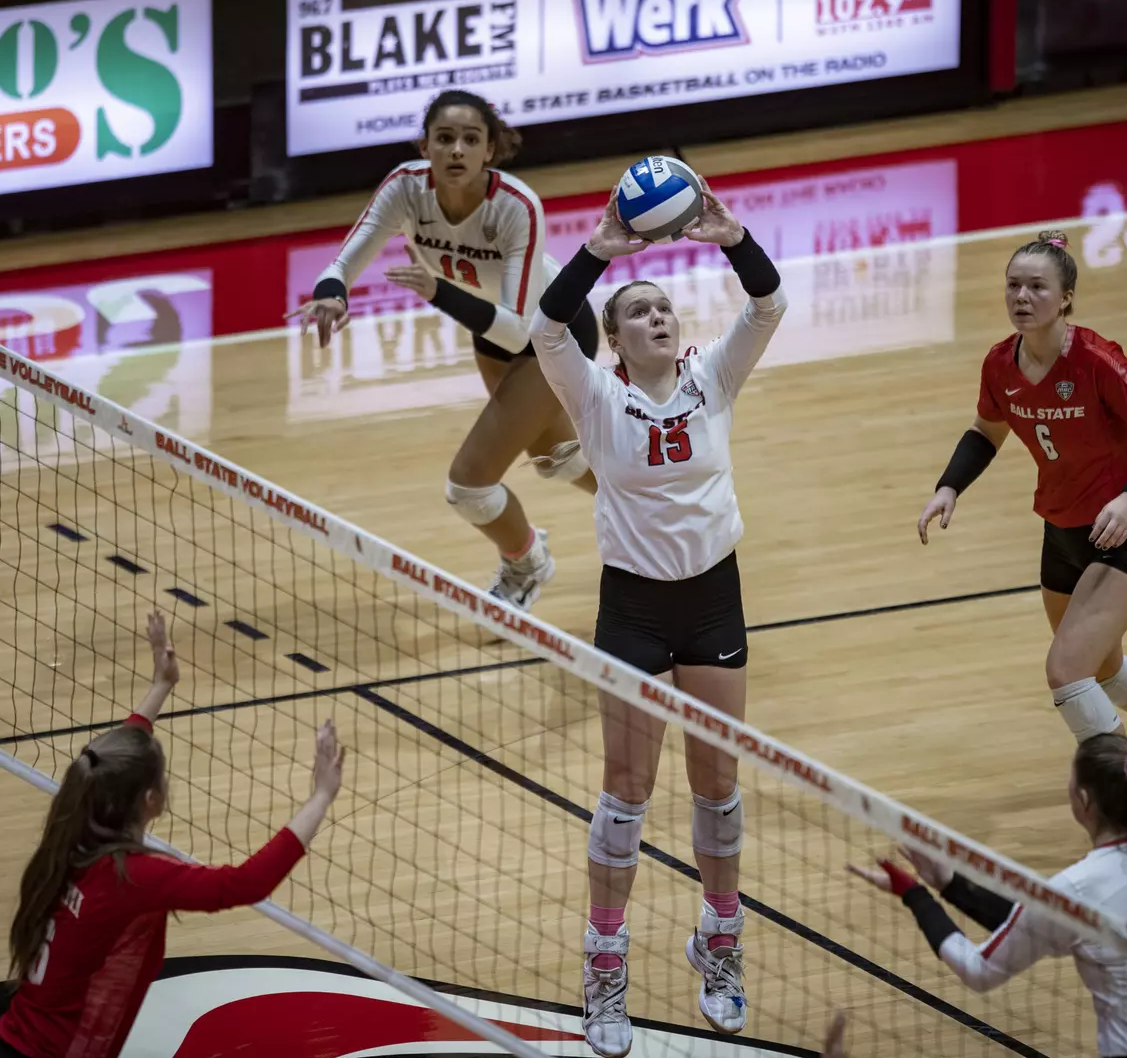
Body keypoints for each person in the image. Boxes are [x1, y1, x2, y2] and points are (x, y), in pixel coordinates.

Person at [528, 184, 786, 1056]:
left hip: (714, 596)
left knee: (717, 788)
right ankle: (605, 962)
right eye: (639, 312)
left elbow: (770, 301)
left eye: (664, 307)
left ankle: (720, 941)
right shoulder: (595, 398)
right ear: (616, 340)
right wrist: (601, 251)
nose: (658, 317)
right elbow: (546, 327)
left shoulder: (713, 378)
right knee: (627, 796)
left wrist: (732, 237)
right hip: (632, 608)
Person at [916, 230, 1127, 796]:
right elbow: (987, 431)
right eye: (1013, 286)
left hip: (1123, 535)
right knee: (1100, 668)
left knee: (1066, 671)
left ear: (1065, 298)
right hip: (1059, 533)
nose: (1022, 297)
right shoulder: (999, 363)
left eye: (1037, 287)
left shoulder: (1097, 359)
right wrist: (949, 486)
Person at [0, 612, 347, 1058]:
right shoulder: (132, 878)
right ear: (152, 800)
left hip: (10, 1044)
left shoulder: (72, 831)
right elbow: (245, 884)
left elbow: (111, 760)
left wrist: (162, 683)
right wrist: (321, 796)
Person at [290, 90, 600, 611]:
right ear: (425, 146)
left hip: (550, 332)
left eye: (470, 140)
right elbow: (342, 262)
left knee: (470, 485)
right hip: (490, 330)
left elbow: (519, 331)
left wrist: (439, 293)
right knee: (557, 457)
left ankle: (526, 563)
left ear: (489, 151)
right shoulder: (405, 189)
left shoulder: (516, 206)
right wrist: (330, 295)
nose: (457, 150)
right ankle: (655, 503)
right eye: (445, 138)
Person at [851, 733, 1127, 1058]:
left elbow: (979, 971)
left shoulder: (1080, 886)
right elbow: (1041, 925)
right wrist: (952, 884)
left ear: (1083, 800)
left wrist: (915, 895)